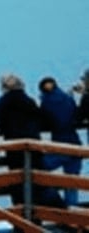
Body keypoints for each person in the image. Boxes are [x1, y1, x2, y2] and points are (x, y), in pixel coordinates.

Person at [0, 72, 61, 208]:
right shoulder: (28, 101)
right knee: (40, 182)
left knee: (18, 184)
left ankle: (23, 220)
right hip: (33, 147)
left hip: (14, 150)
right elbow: (45, 119)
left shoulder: (3, 102)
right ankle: (62, 214)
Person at [39, 76, 82, 207]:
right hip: (75, 146)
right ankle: (73, 215)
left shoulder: (46, 102)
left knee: (36, 171)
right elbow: (76, 115)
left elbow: (45, 121)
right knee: (72, 184)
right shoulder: (68, 98)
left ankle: (57, 205)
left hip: (60, 145)